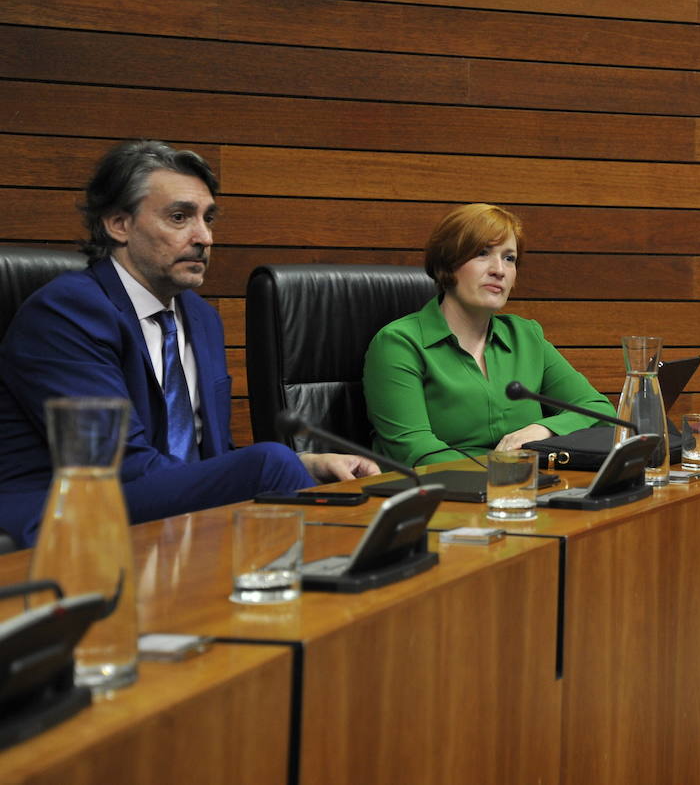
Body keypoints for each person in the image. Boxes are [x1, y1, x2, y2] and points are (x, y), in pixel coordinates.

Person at [0, 140, 377, 546]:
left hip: (161, 502)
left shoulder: (200, 318)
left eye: (208, 218)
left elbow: (208, 458)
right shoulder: (68, 311)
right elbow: (118, 467)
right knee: (270, 461)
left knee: (282, 467)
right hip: (72, 510)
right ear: (118, 224)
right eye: (180, 217)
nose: (204, 237)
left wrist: (308, 463)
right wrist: (267, 470)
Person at [363, 203, 615, 466]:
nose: (499, 270)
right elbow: (415, 451)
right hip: (444, 495)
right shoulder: (399, 344)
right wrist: (504, 472)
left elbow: (599, 411)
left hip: (526, 488)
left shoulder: (526, 336)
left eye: (510, 258)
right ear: (449, 262)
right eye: (483, 253)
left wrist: (543, 431)